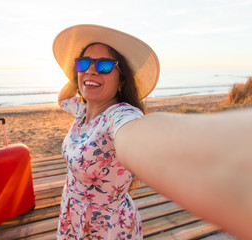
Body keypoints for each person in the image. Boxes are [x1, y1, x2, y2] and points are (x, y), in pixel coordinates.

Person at [53, 24, 252, 240]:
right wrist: (81, 77)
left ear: (122, 81)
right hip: (71, 213)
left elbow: (137, 136)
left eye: (104, 66)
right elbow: (63, 98)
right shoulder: (81, 109)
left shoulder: (120, 116)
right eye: (84, 63)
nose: (91, 69)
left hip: (105, 228)